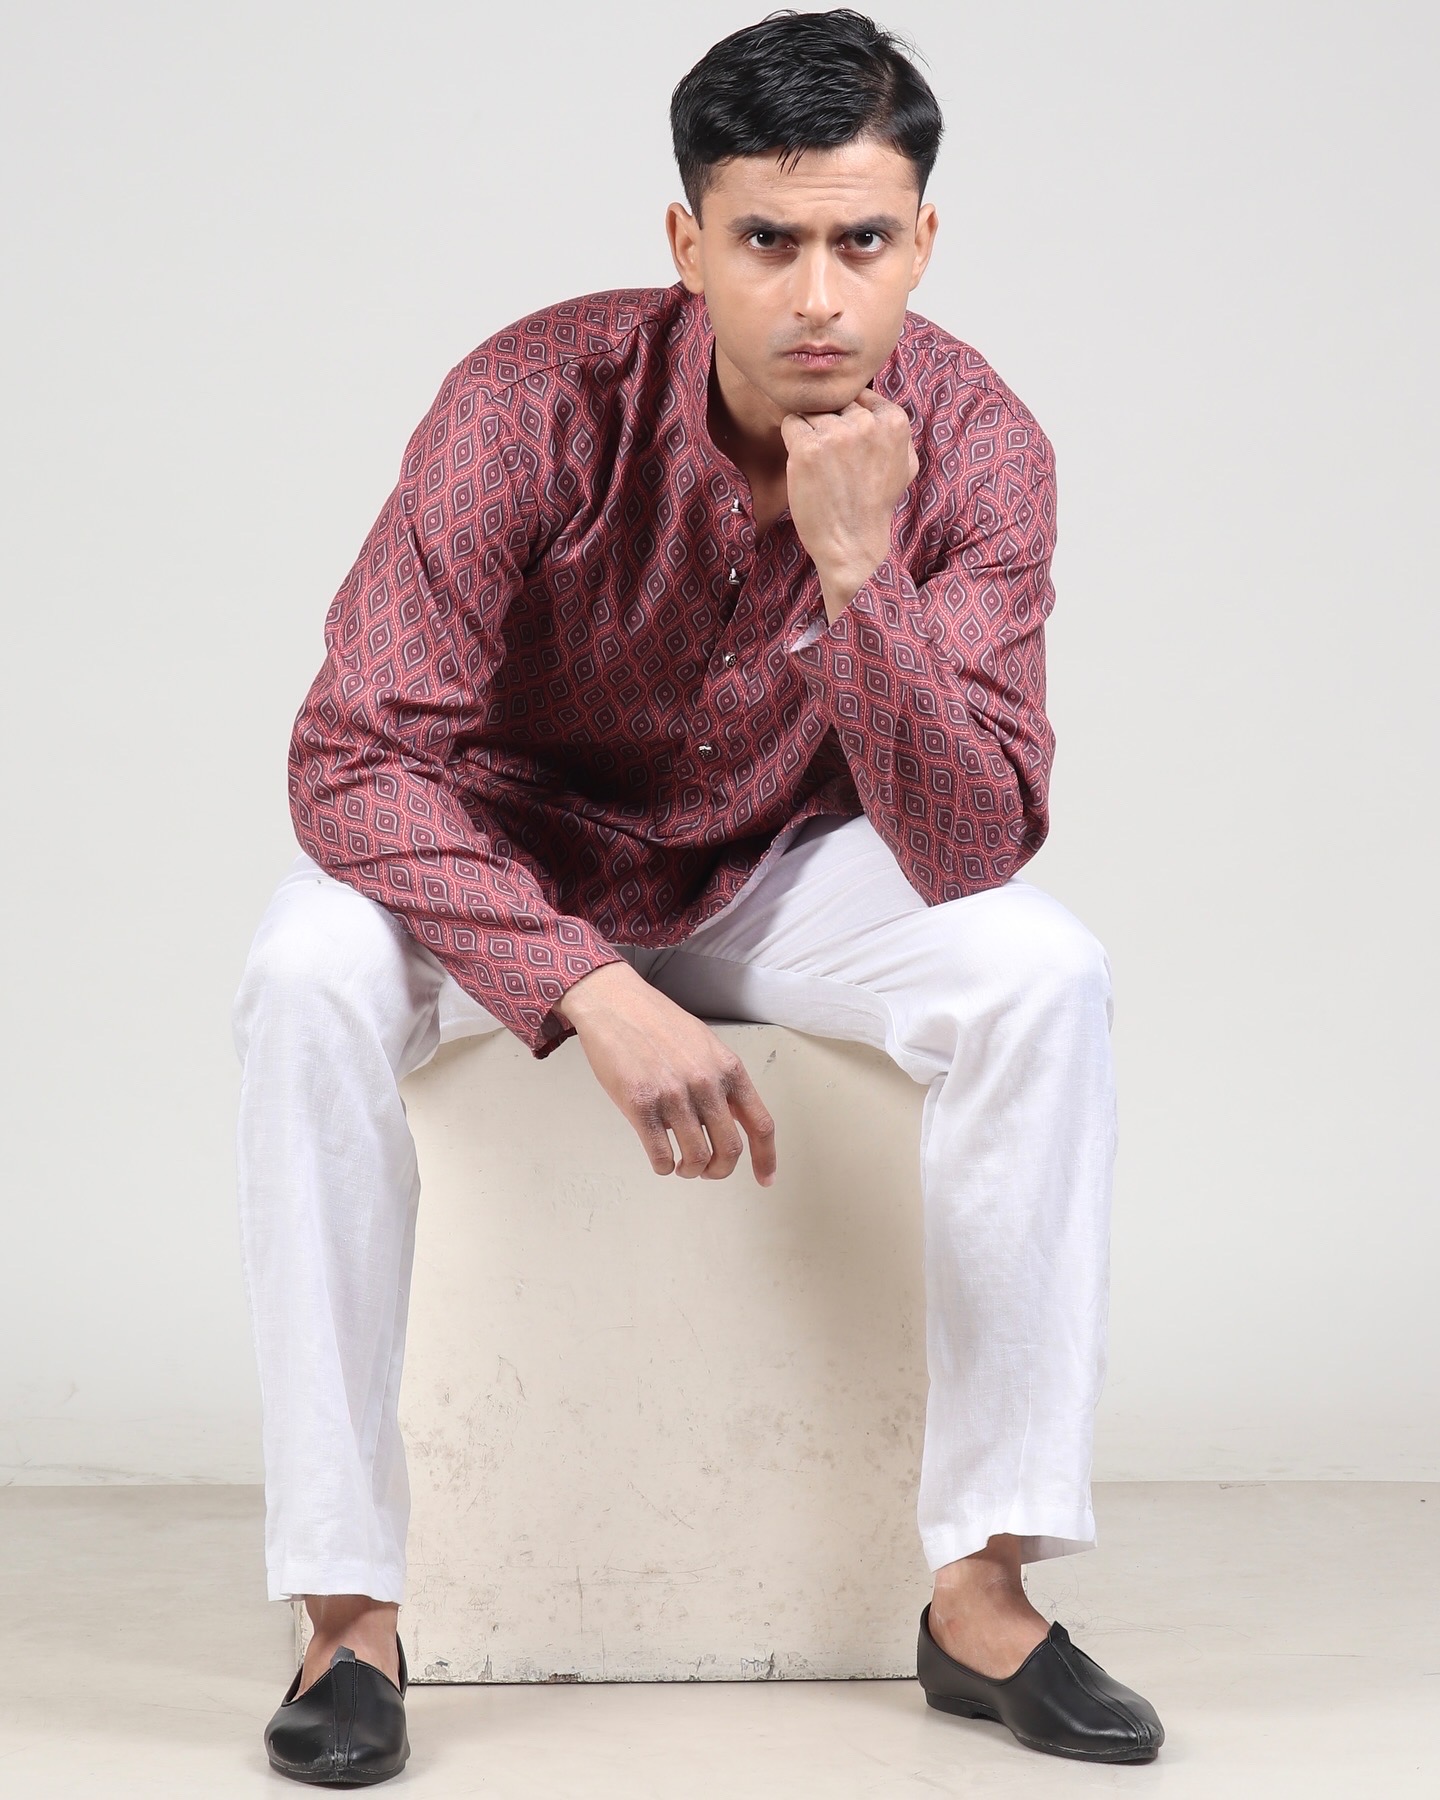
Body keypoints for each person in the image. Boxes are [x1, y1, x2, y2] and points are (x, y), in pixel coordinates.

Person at [232, 7, 1165, 1783]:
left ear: (923, 240)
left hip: (773, 871)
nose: (818, 296)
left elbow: (972, 843)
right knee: (300, 972)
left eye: (861, 241)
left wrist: (862, 572)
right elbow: (355, 754)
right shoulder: (530, 401)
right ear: (686, 242)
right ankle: (347, 1611)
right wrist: (585, 982)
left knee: (1043, 972)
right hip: (500, 856)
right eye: (768, 240)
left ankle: (984, 1593)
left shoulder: (982, 447)